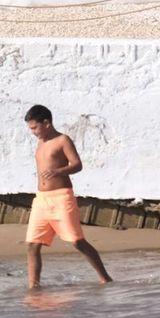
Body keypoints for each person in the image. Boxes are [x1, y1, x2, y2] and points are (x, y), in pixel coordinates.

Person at [23, 105, 112, 290]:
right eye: (30, 128)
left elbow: (77, 164)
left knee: (77, 241)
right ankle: (33, 286)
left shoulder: (62, 140)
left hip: (61, 198)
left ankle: (105, 278)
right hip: (41, 199)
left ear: (46, 123)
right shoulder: (40, 142)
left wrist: (58, 171)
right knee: (32, 244)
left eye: (34, 128)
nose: (32, 132)